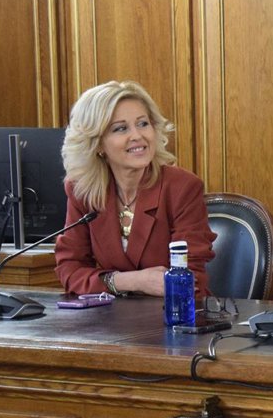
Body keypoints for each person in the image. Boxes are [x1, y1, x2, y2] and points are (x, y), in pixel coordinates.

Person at [55, 80, 215, 297]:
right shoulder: (83, 190)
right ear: (98, 144)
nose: (137, 136)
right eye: (121, 128)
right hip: (106, 323)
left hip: (172, 318)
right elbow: (70, 270)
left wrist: (105, 282)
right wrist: (131, 281)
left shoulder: (181, 188)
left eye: (143, 124)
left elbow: (188, 280)